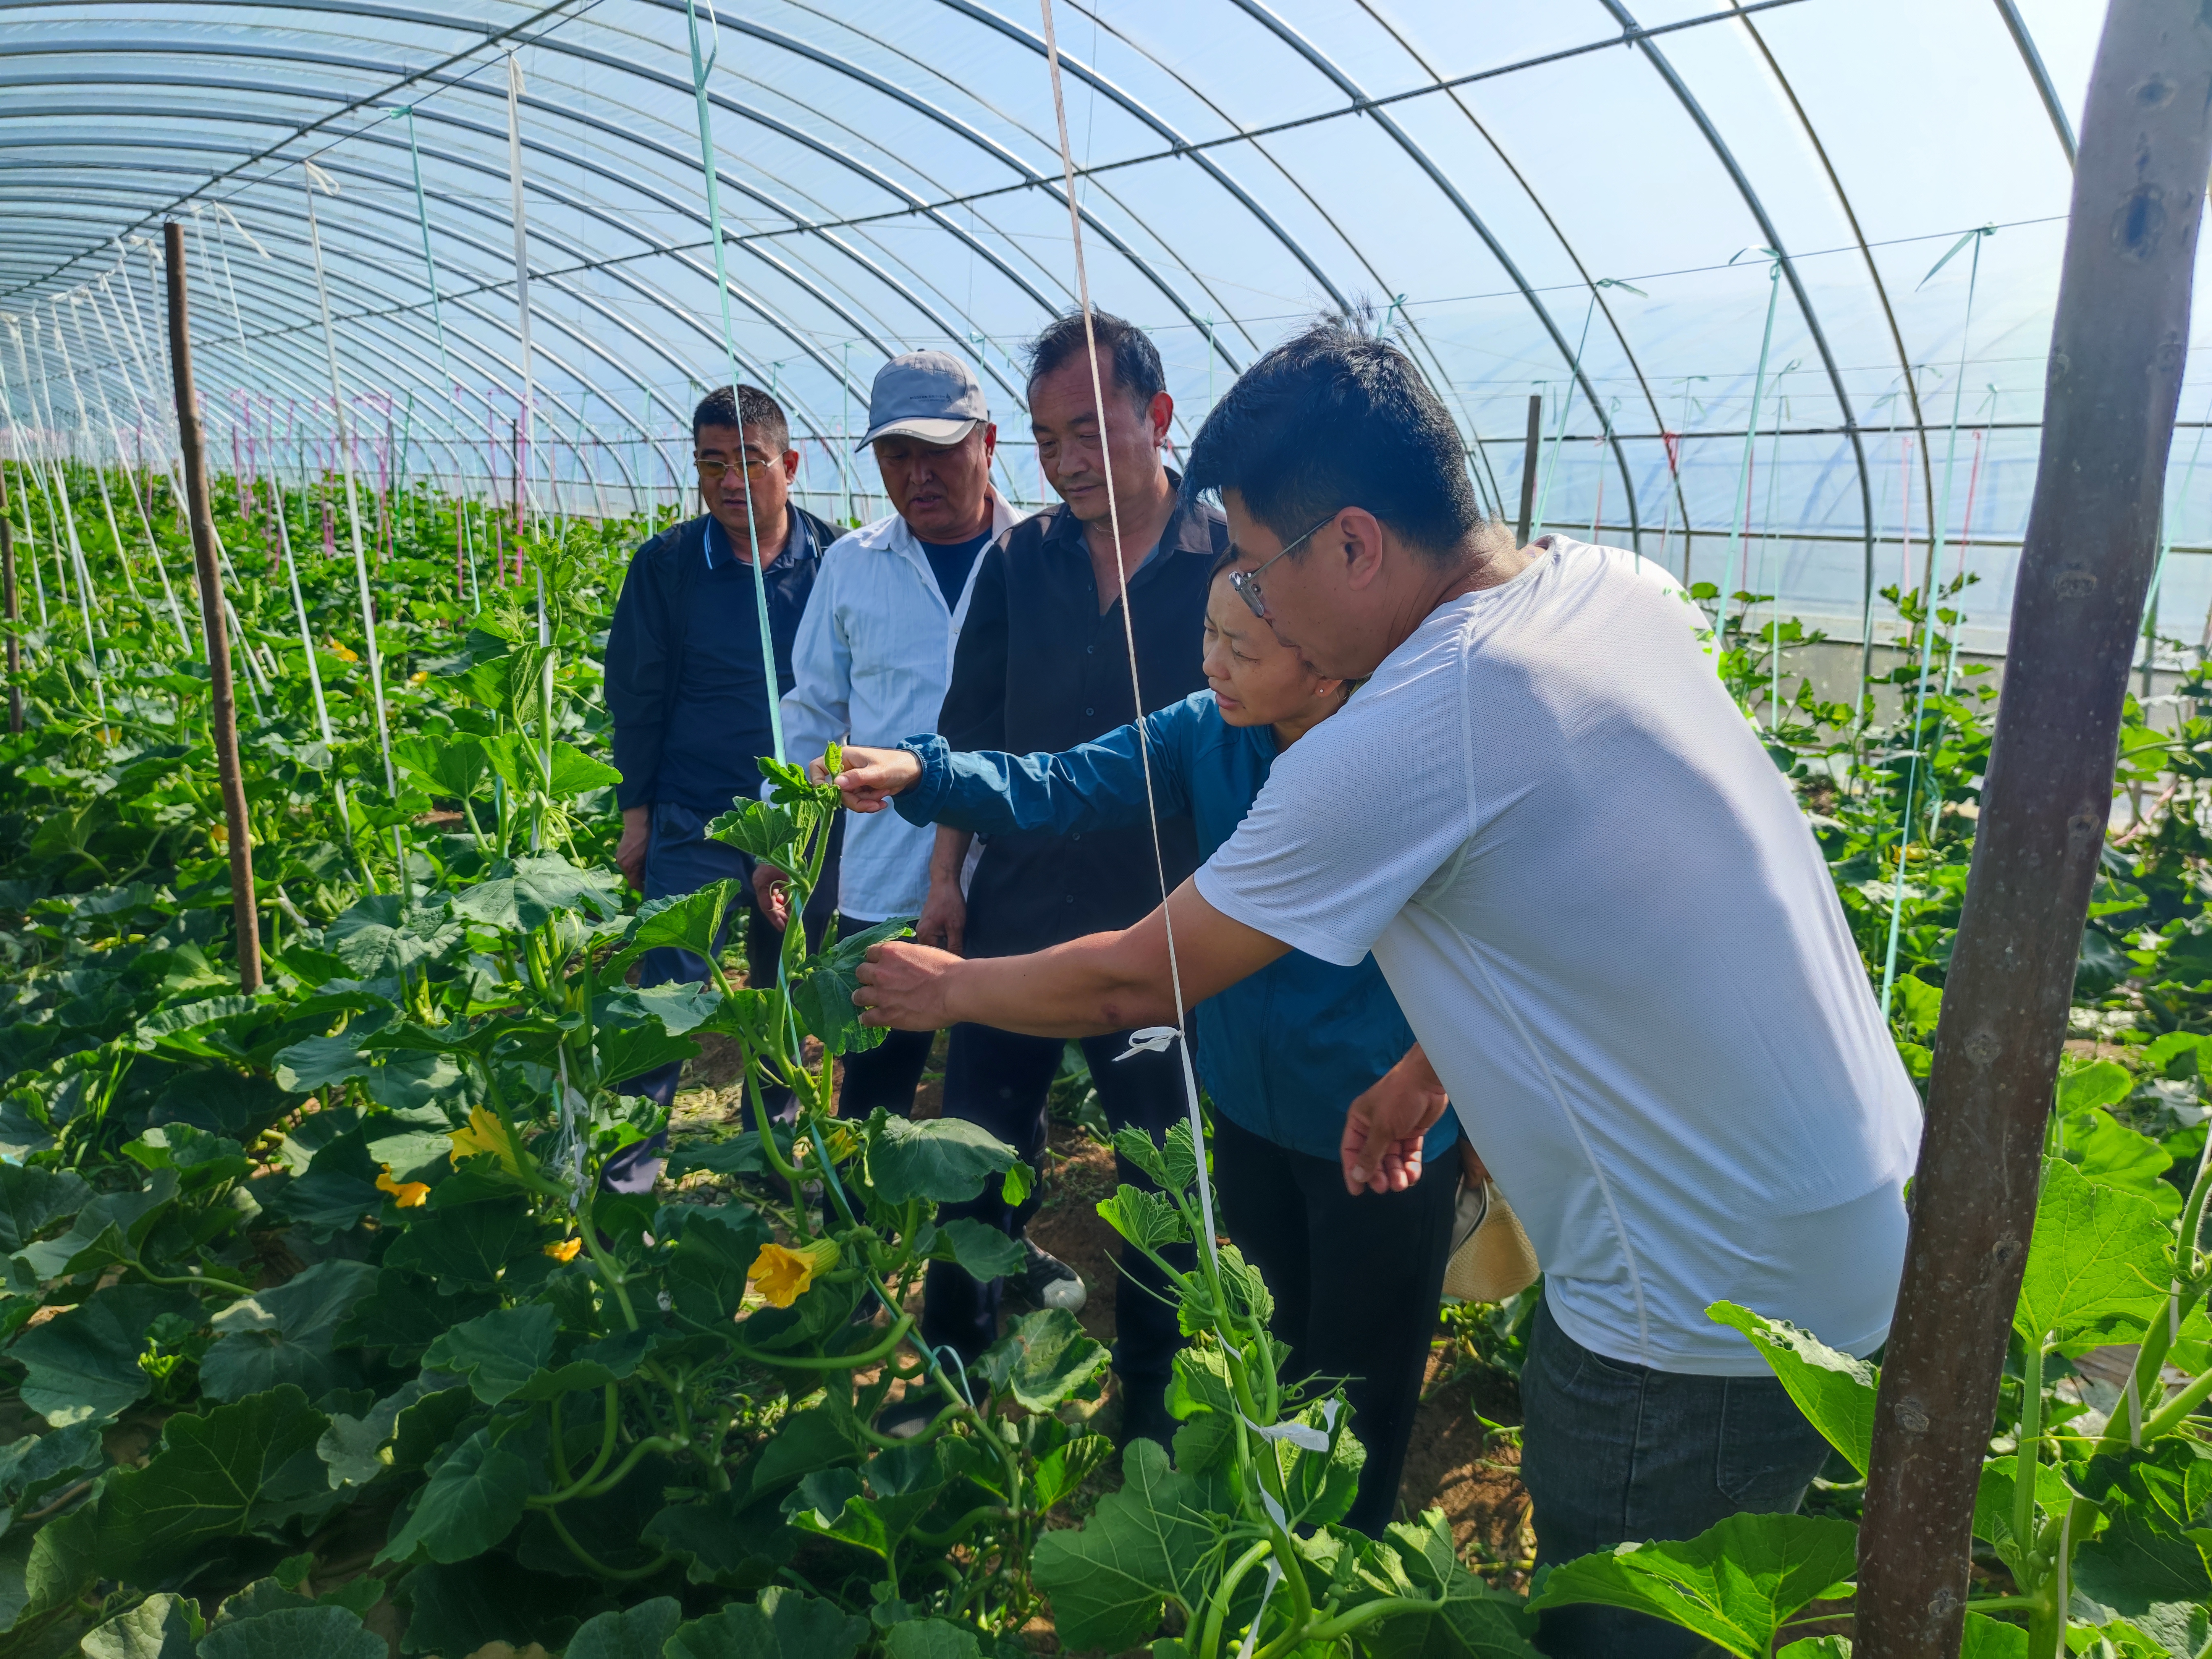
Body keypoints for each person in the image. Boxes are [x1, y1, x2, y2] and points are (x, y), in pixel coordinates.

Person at [844, 321, 1921, 1659]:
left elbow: (1136, 976)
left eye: (1249, 559)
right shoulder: (1601, 588)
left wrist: (948, 990)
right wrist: (1428, 1070)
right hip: (1838, 1225)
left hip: (1688, 1303)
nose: (1236, 596)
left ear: (1353, 544)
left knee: (1616, 1622)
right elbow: (1588, 907)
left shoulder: (1416, 720)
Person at [820, 548, 1462, 1535]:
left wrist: (1429, 1073)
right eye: (1208, 635)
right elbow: (1062, 782)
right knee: (1267, 1348)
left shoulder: (1388, 763)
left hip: (1375, 1126)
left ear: (1327, 661)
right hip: (1249, 1102)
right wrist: (926, 771)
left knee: (1357, 1392)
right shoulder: (1210, 730)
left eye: (1240, 647)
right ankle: (1263, 1556)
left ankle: (1338, 1578)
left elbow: (1489, 945)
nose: (1211, 663)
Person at [913, 310, 1226, 1448]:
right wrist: (947, 880)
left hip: (1165, 924)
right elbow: (972, 729)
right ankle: (959, 1352)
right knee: (976, 1141)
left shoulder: (1228, 557)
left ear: (1158, 417)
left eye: (1092, 429)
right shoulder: (1021, 559)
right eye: (1047, 438)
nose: (1068, 460)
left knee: (1161, 1170)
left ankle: (1145, 1393)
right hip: (1020, 905)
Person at [753, 350, 1021, 1123]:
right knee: (873, 1075)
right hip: (886, 869)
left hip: (1013, 865)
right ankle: (861, 1233)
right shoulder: (852, 564)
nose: (918, 475)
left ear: (987, 443)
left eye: (938, 451)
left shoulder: (1039, 553)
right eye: (896, 456)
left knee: (1001, 1078)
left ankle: (986, 1242)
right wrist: (781, 834)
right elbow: (814, 711)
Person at [601, 384, 838, 1175]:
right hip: (695, 816)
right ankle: (629, 1172)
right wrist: (638, 815)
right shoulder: (668, 564)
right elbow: (634, 695)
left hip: (796, 824)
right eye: (711, 464)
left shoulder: (836, 561)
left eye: (748, 461)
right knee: (668, 998)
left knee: (784, 999)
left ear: (790, 464)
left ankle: (771, 1161)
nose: (730, 481)